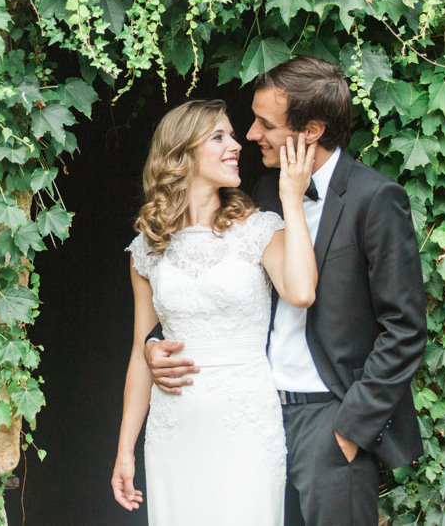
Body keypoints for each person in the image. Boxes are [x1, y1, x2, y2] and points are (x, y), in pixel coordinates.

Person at [145, 57, 428, 525]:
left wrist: (351, 429)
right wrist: (156, 346)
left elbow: (405, 329)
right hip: (255, 411)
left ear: (311, 130)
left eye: (264, 123)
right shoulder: (262, 192)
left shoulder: (375, 200)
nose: (251, 134)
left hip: (328, 418)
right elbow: (218, 284)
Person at [111, 98, 318, 525]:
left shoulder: (259, 229)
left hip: (246, 426)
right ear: (182, 152)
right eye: (219, 136)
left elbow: (300, 292)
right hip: (174, 429)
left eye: (234, 135)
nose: (237, 144)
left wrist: (291, 200)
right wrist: (124, 449)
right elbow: (139, 353)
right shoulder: (147, 249)